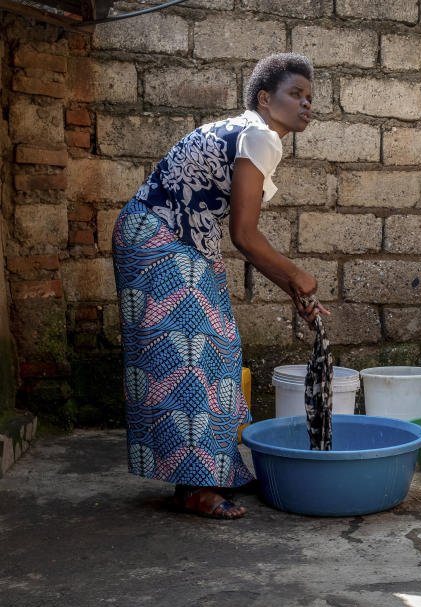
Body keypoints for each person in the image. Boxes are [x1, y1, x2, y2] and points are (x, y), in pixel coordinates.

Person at [112, 53, 325, 519]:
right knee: (194, 354)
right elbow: (245, 236)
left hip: (165, 236)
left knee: (219, 350)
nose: (307, 105)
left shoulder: (250, 132)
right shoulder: (260, 135)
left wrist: (295, 291)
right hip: (161, 238)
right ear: (266, 99)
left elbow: (244, 239)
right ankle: (194, 487)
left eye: (310, 97)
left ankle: (214, 470)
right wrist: (299, 276)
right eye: (296, 94)